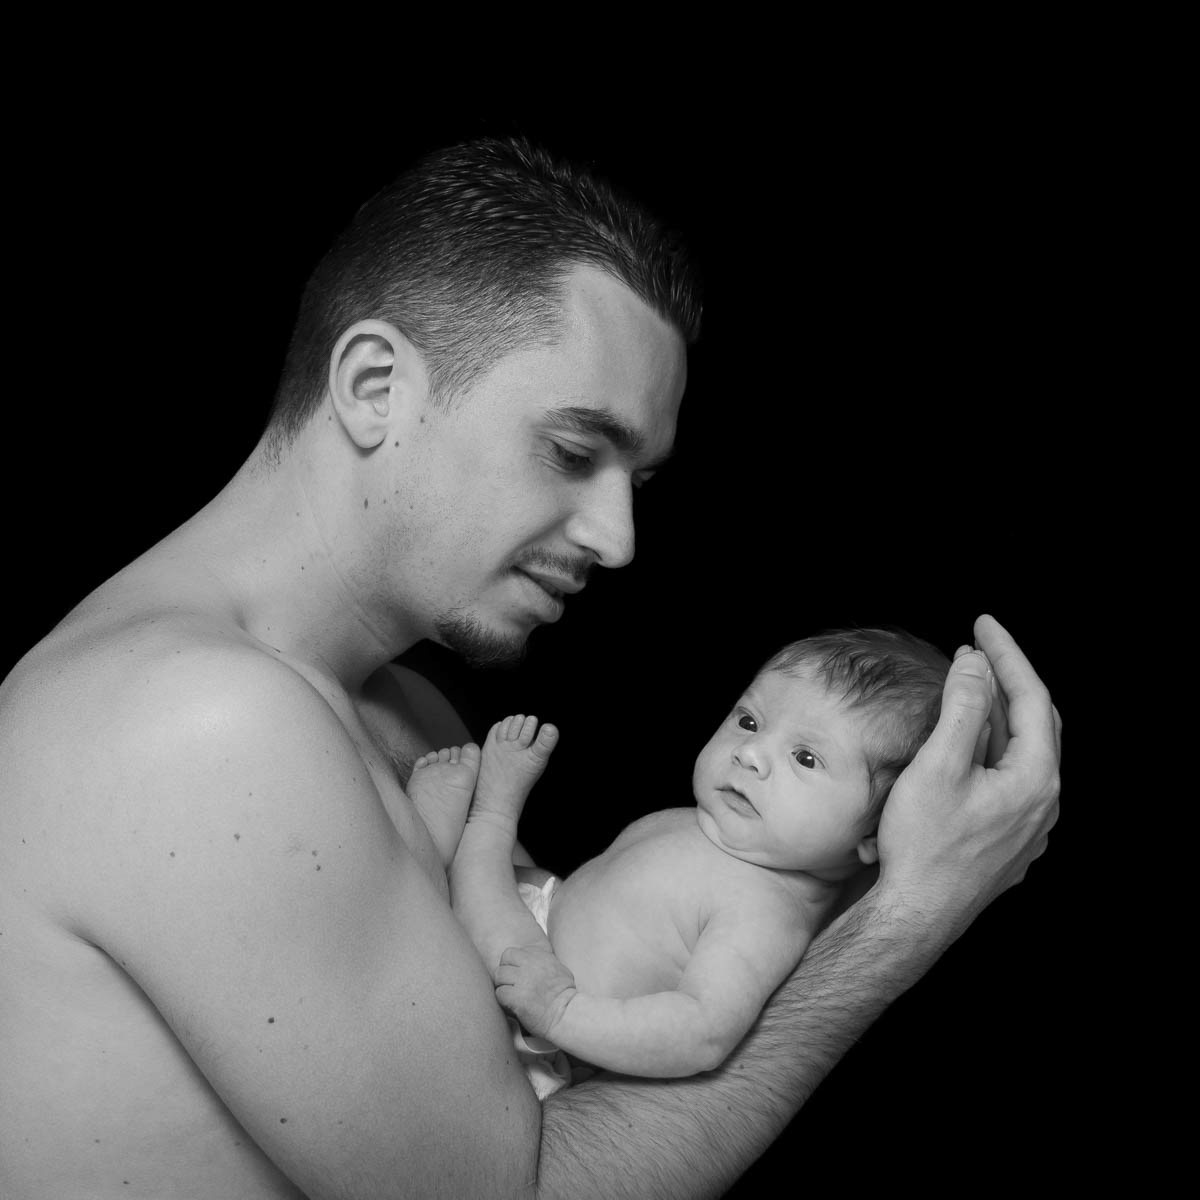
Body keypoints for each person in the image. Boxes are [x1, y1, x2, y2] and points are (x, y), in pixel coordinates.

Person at [0, 136, 1061, 1199]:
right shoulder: (200, 726)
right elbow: (520, 1187)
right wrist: (903, 919)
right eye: (572, 452)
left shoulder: (405, 713)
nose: (618, 538)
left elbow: (546, 1068)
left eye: (637, 481)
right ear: (374, 386)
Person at [415, 627, 950, 1094]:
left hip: (545, 1017)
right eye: (749, 721)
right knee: (503, 892)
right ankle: (447, 848)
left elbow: (702, 1030)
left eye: (805, 758)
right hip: (547, 921)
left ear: (874, 832)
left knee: (477, 911)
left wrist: (560, 1011)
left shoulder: (767, 913)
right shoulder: (721, 827)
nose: (749, 753)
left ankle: (485, 822)